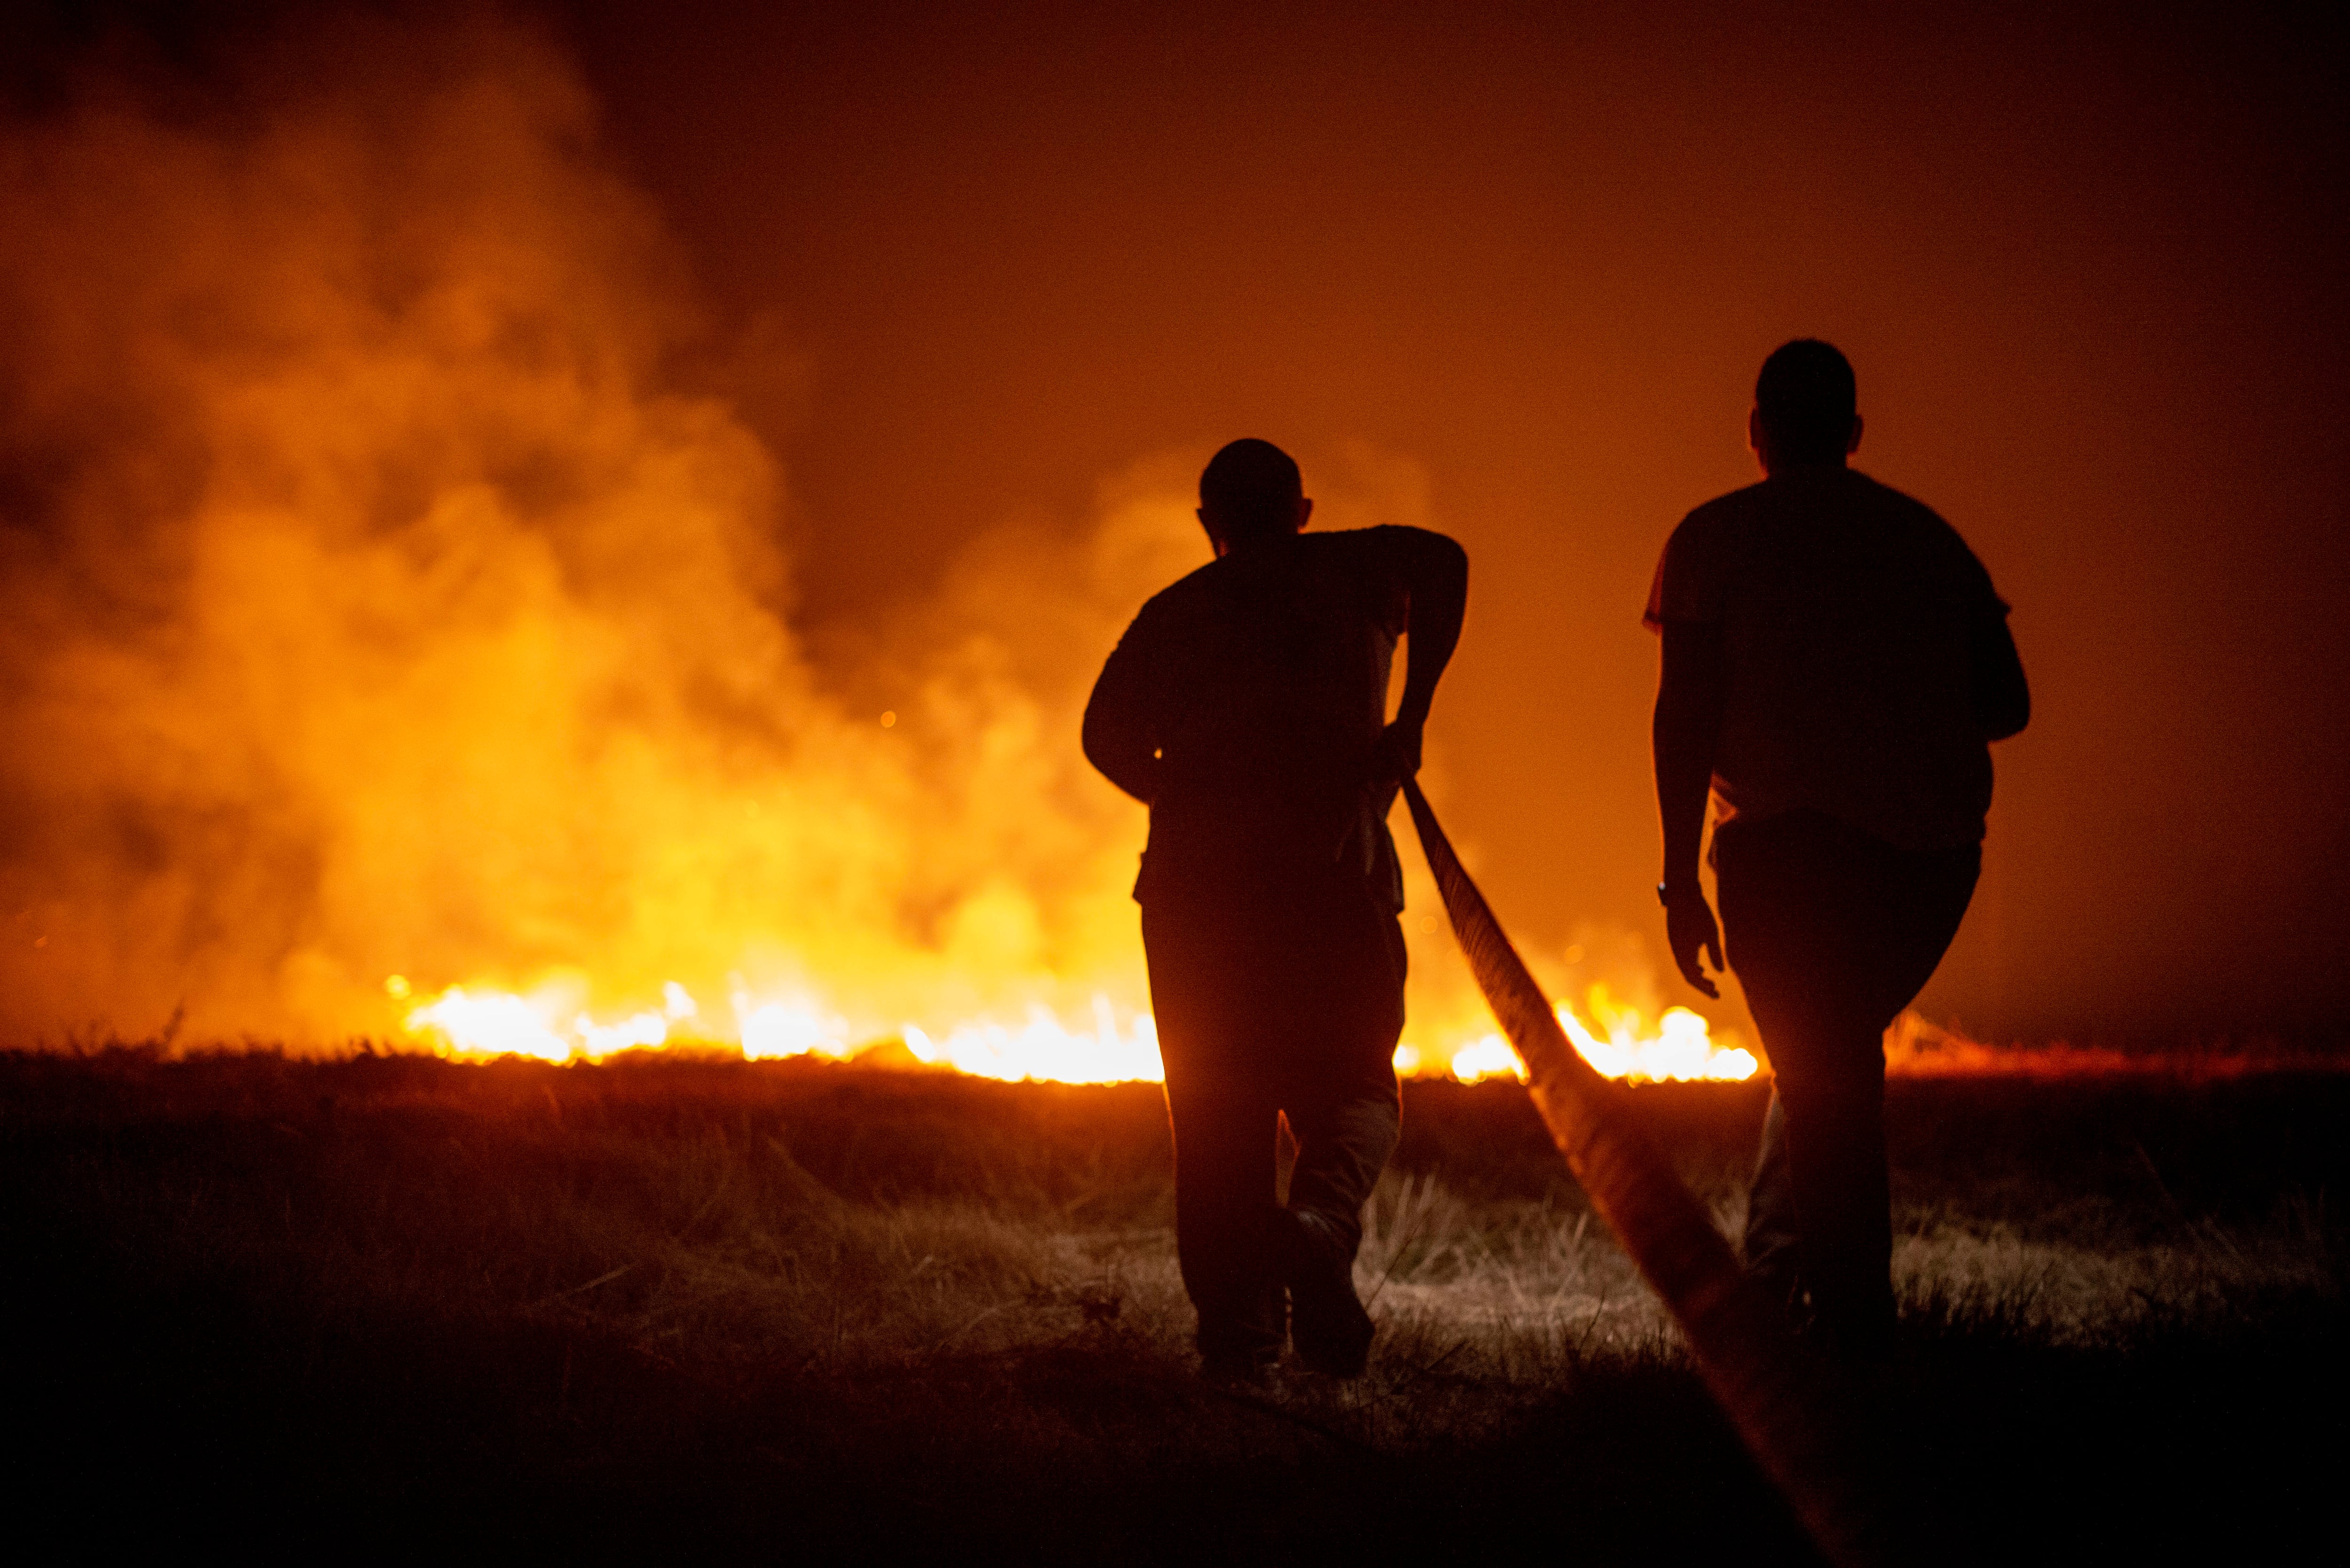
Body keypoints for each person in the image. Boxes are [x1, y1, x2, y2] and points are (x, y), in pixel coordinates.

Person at [1645, 340, 2029, 1357]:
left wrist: (1680, 877)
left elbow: (1682, 714)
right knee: (1825, 1060)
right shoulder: (1925, 539)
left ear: (1756, 430)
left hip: (1782, 851)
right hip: (1928, 856)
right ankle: (1783, 1287)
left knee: (1822, 1068)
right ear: (1855, 434)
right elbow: (2008, 705)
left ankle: (1853, 1332)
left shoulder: (1712, 537)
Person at [1083, 439, 1468, 1382]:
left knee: (1216, 1118)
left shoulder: (1176, 612)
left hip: (1194, 900)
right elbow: (1448, 561)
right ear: (1300, 510)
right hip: (1333, 882)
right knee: (1357, 1090)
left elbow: (1102, 736)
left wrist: (1182, 797)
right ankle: (1318, 1226)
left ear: (1210, 525)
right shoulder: (1355, 568)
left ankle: (1237, 1354)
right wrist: (1409, 716)